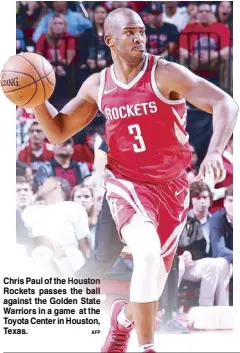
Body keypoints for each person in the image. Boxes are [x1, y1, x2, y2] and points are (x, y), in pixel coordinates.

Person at [33, 7, 238, 353]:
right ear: (109, 38)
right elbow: (59, 131)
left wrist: (216, 151)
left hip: (172, 189)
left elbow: (226, 104)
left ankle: (122, 321)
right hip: (126, 183)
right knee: (144, 255)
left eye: (141, 31)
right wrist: (37, 101)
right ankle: (147, 347)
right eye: (129, 32)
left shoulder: (165, 73)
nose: (139, 37)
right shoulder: (98, 84)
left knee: (151, 289)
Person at [22, 177, 92, 277]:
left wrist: (91, 271)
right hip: (42, 261)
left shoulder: (74, 208)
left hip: (72, 260)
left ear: (58, 186)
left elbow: (84, 243)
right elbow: (26, 240)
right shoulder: (30, 211)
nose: (43, 186)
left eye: (48, 184)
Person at [178, 181, 230, 306]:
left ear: (210, 200)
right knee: (212, 265)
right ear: (192, 200)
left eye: (205, 198)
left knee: (221, 263)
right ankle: (205, 308)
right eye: (198, 197)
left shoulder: (216, 221)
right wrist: (182, 255)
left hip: (208, 264)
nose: (202, 201)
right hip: (185, 265)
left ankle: (223, 309)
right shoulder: (184, 220)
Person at [179, 2, 231, 86]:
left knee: (227, 57)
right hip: (194, 61)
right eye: (201, 11)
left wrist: (213, 55)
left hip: (214, 62)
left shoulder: (221, 28)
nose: (204, 14)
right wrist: (192, 55)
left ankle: (225, 90)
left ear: (212, 14)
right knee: (182, 57)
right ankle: (184, 89)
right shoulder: (189, 28)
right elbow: (182, 50)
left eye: (207, 11)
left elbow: (227, 49)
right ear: (197, 14)